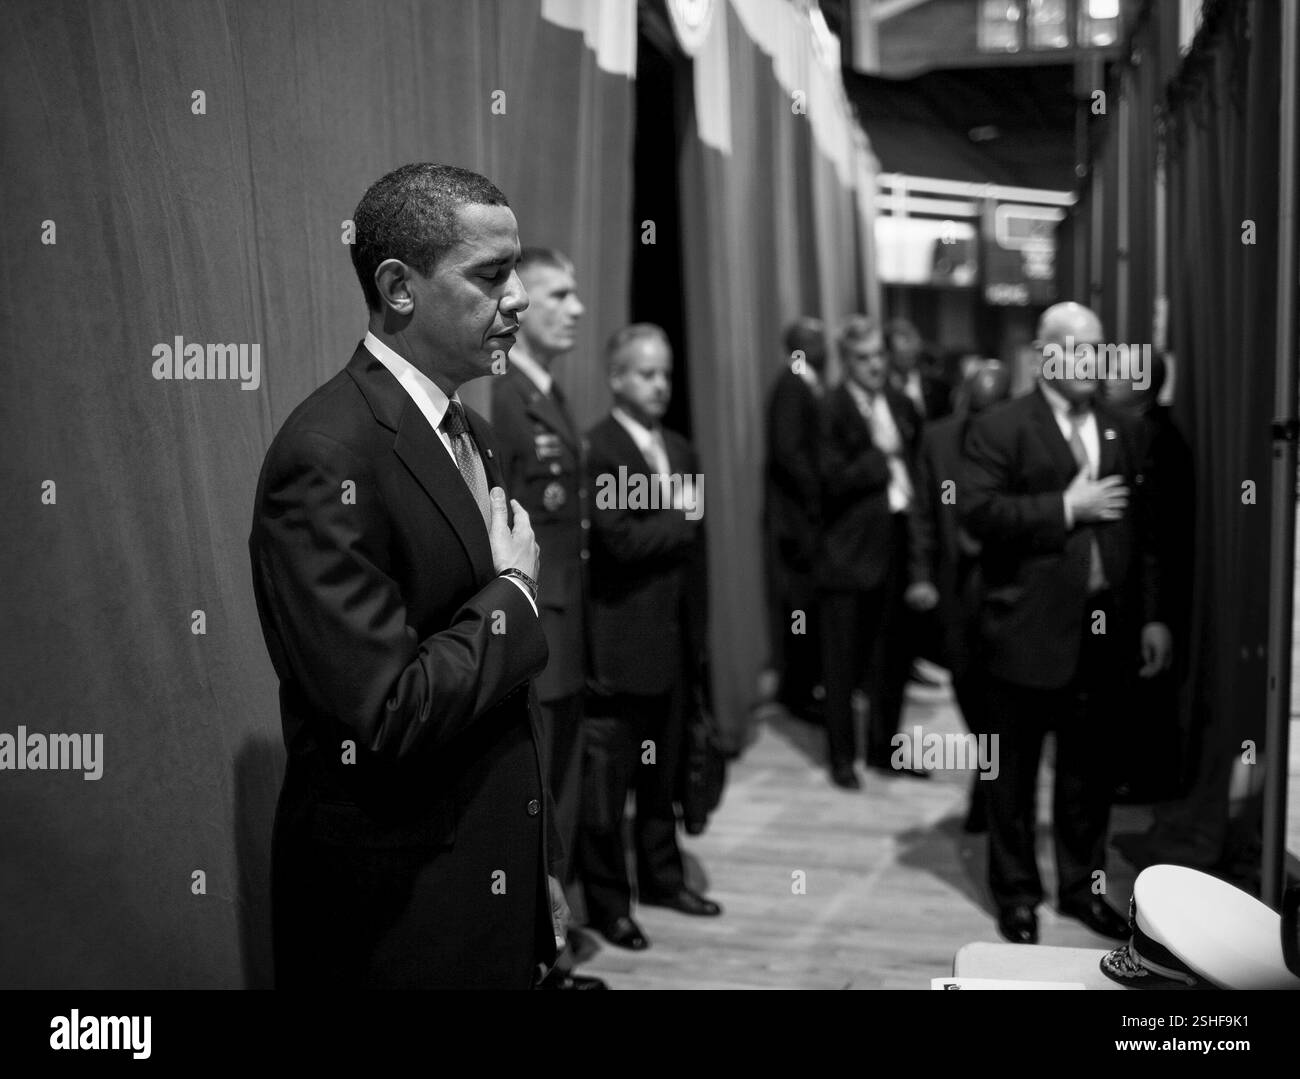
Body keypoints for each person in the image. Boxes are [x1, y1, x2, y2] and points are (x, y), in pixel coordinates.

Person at [249, 163, 565, 989]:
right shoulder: (326, 456)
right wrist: (516, 597)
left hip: (486, 884)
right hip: (400, 915)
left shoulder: (472, 430)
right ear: (398, 287)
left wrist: (536, 869)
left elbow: (501, 708)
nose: (522, 296)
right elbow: (384, 714)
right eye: (492, 274)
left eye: (518, 268)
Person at [961, 301, 1173, 946]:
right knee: (1013, 779)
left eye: (1100, 349)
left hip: (1105, 631)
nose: (1094, 362)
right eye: (1079, 349)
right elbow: (977, 514)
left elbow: (1147, 534)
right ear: (1046, 352)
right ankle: (1017, 894)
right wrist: (1064, 506)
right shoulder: (1000, 426)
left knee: (1089, 776)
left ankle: (1082, 890)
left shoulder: (1121, 429)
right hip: (1024, 629)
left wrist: (1154, 618)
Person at [578, 323, 721, 950]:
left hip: (674, 643)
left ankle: (663, 878)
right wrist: (682, 519)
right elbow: (620, 541)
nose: (659, 385)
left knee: (661, 777)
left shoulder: (682, 451)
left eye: (665, 373)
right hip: (619, 647)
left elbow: (694, 556)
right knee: (611, 787)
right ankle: (610, 905)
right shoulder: (600, 448)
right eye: (645, 373)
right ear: (616, 378)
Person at [489, 247, 605, 990]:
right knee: (540, 803)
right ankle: (539, 961)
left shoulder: (550, 394)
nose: (577, 308)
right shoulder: (505, 402)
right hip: (539, 633)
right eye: (559, 294)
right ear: (525, 306)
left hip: (568, 624)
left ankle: (550, 948)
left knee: (560, 792)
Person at [816, 315, 929, 790]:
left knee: (892, 660)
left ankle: (886, 749)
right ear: (847, 362)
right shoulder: (831, 408)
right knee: (842, 666)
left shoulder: (903, 404)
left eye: (879, 355)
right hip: (848, 553)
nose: (875, 366)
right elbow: (828, 479)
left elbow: (921, 470)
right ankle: (843, 757)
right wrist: (879, 457)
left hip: (897, 545)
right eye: (863, 358)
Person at [910, 362, 1012, 832]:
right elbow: (923, 514)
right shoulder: (938, 440)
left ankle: (989, 794)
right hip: (955, 587)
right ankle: (989, 784)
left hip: (1008, 590)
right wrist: (921, 575)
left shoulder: (1021, 439)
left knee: (1000, 699)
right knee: (967, 688)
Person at [763, 317, 827, 723]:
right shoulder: (792, 383)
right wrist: (821, 489)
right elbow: (788, 453)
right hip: (797, 519)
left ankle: (806, 685)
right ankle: (798, 691)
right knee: (799, 607)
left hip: (805, 517)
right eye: (816, 340)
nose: (824, 346)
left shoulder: (807, 380)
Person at [885, 317, 953, 421]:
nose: (907, 357)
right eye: (901, 353)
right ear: (889, 353)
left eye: (910, 352)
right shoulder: (882, 388)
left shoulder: (938, 388)